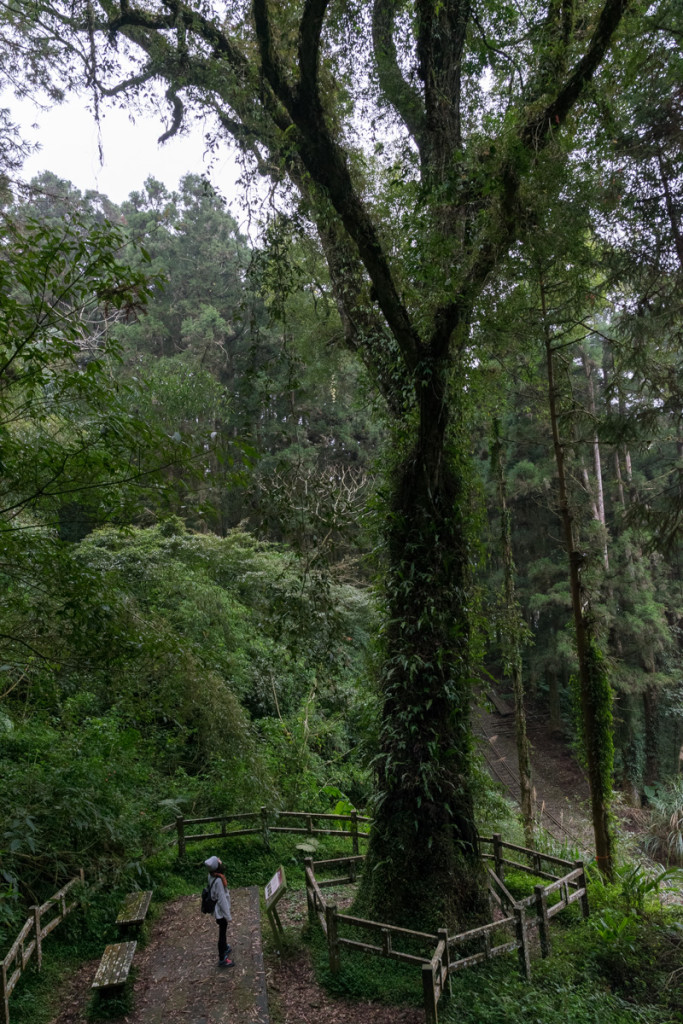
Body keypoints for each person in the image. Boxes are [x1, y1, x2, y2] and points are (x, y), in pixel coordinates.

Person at [204, 856, 234, 968]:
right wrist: (228, 916)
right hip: (220, 912)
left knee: (223, 929)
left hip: (217, 910)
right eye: (219, 861)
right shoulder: (218, 881)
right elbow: (221, 899)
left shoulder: (211, 875)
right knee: (222, 932)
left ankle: (225, 947)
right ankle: (222, 958)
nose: (221, 861)